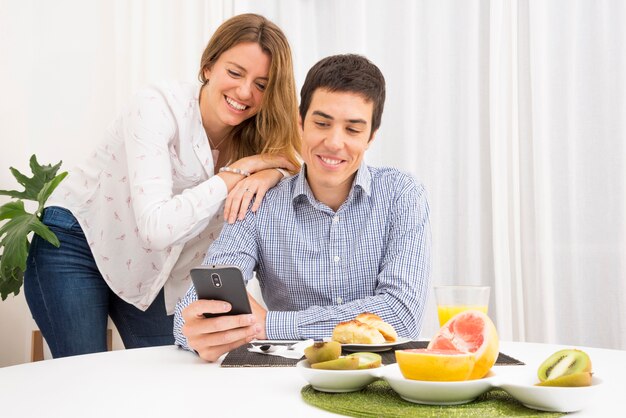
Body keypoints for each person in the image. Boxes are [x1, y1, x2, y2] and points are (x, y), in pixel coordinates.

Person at [23, 13, 301, 358]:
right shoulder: (156, 106)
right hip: (78, 243)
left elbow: (293, 166)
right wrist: (236, 173)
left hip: (154, 269)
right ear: (208, 66)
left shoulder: (260, 142)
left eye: (261, 84)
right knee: (86, 376)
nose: (245, 92)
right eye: (235, 72)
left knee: (172, 370)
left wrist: (268, 172)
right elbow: (157, 227)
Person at [174, 54, 432, 362]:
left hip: (379, 379)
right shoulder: (260, 201)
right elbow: (191, 309)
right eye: (322, 123)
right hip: (288, 379)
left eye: (353, 130)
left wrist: (270, 324)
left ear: (371, 137)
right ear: (300, 123)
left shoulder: (402, 195)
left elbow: (400, 315)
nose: (334, 142)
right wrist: (195, 331)